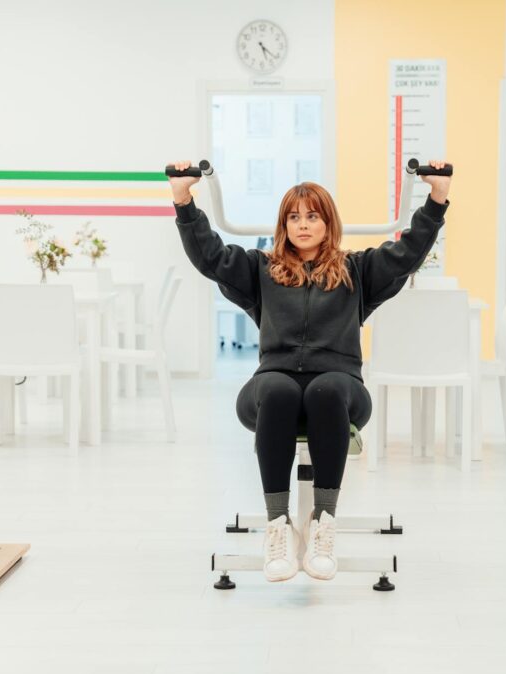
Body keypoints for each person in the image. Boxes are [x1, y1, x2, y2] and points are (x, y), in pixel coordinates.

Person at [169, 160, 452, 582]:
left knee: (325, 390)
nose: (303, 224)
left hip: (340, 391)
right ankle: (278, 526)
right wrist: (183, 199)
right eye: (294, 217)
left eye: (313, 216)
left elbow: (408, 252)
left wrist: (437, 197)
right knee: (280, 391)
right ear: (284, 224)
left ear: (328, 222)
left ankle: (323, 523)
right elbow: (209, 255)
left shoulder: (358, 271)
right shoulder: (260, 270)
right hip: (272, 387)